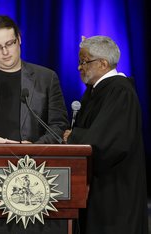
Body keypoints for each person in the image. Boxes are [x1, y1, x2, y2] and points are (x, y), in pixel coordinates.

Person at [0, 15, 69, 233]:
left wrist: (34, 148)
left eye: (9, 44)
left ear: (19, 39)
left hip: (37, 175)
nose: (5, 52)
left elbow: (58, 125)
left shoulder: (46, 78)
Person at [63, 35, 148, 234]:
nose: (79, 68)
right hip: (98, 190)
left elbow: (108, 142)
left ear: (103, 63)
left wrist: (73, 137)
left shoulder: (120, 91)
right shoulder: (96, 91)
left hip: (116, 192)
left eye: (84, 62)